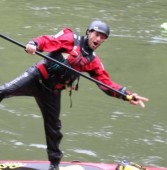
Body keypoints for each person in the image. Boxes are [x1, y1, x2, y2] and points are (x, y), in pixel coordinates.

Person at [0, 20, 149, 170]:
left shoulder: (93, 62)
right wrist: (34, 44)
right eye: (96, 35)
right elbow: (48, 40)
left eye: (102, 37)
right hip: (35, 78)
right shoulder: (70, 38)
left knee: (54, 129)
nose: (98, 39)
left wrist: (127, 95)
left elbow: (106, 84)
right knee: (3, 91)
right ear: (89, 32)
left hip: (52, 92)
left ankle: (54, 166)